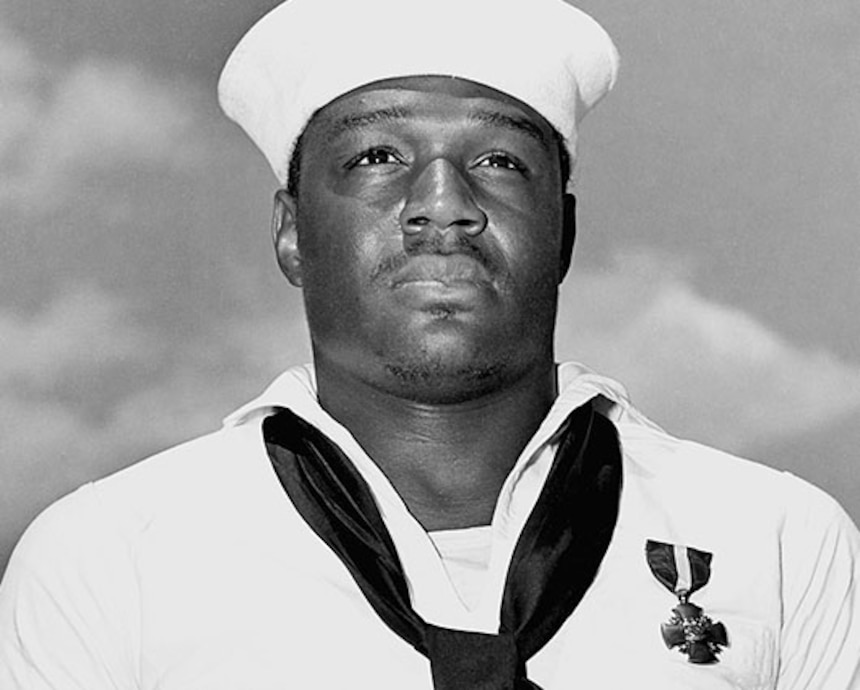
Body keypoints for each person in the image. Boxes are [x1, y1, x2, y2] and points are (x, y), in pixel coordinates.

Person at [1, 0, 859, 687]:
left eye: (499, 161)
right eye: (377, 155)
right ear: (293, 232)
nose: (443, 202)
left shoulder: (777, 542)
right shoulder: (111, 563)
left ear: (563, 232)